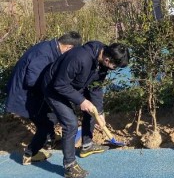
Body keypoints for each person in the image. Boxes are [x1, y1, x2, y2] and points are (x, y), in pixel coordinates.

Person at [42, 41, 130, 178]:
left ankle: (87, 145)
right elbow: (59, 85)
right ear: (107, 59)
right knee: (70, 124)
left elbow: (96, 87)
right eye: (115, 66)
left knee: (92, 109)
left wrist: (99, 112)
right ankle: (69, 166)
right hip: (54, 88)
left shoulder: (102, 62)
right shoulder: (80, 58)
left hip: (74, 86)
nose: (114, 69)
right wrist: (81, 100)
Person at [5, 32, 82, 165]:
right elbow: (32, 80)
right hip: (25, 96)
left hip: (31, 94)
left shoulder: (49, 47)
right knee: (45, 125)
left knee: (52, 114)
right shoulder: (44, 54)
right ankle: (30, 154)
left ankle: (50, 138)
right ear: (69, 48)